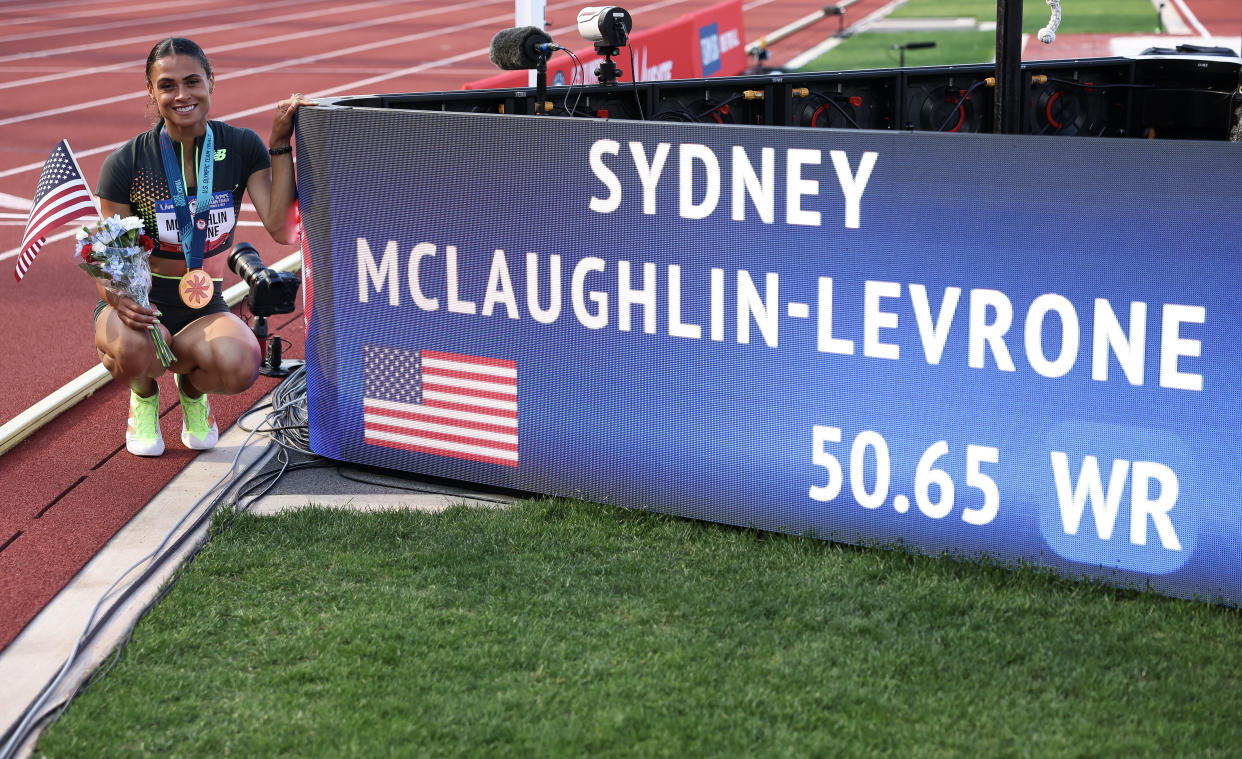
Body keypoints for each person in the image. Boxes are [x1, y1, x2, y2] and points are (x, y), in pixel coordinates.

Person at [93, 36, 313, 456]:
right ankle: (143, 395)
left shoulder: (241, 147)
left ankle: (191, 391)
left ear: (211, 81)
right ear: (151, 92)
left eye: (192, 81)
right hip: (141, 302)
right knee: (134, 349)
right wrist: (120, 302)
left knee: (242, 361)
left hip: (201, 300)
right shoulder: (127, 163)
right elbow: (109, 264)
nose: (182, 95)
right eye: (167, 85)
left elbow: (284, 229)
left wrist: (280, 143)